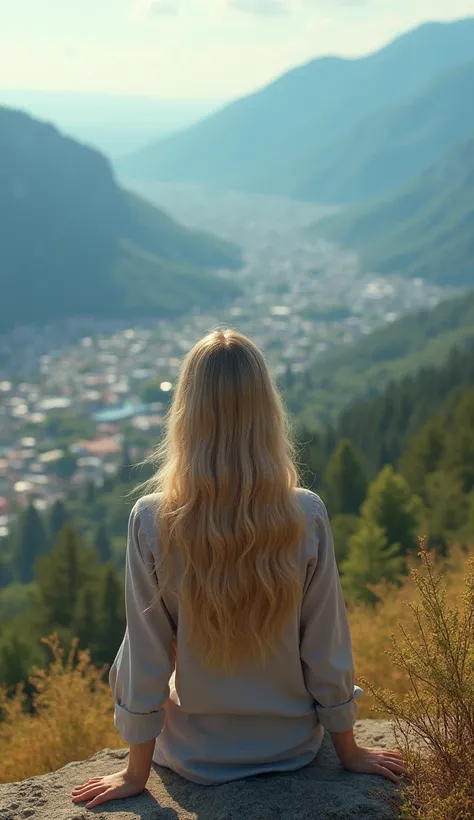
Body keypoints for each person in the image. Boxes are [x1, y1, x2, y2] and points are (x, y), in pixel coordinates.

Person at [72, 329, 406, 809]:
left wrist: (134, 773)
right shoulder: (305, 514)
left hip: (192, 754)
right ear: (267, 411)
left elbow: (144, 654)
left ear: (186, 414)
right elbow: (326, 645)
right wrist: (348, 752)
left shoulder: (152, 519)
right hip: (292, 748)